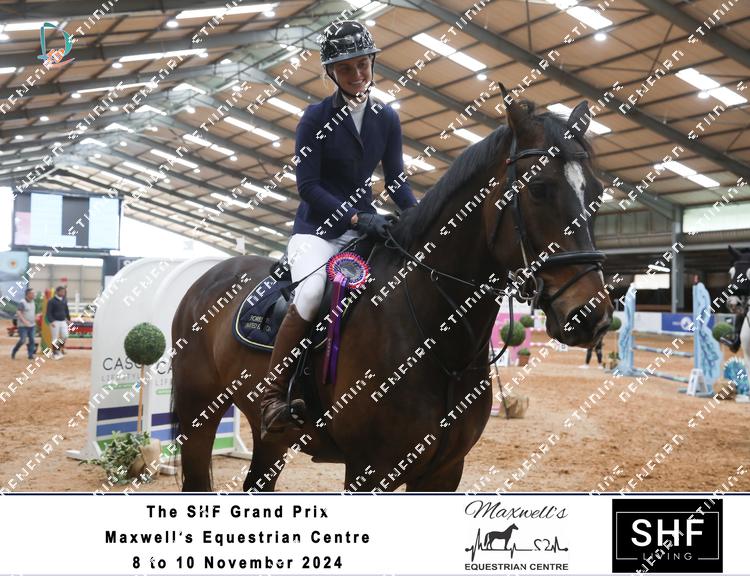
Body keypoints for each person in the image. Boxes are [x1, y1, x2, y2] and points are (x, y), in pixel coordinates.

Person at [260, 20, 418, 438]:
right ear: (331, 72)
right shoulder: (314, 118)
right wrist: (355, 217)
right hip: (316, 231)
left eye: (363, 65)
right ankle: (272, 395)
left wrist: (421, 218)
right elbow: (308, 186)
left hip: (363, 229)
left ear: (372, 63)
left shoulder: (386, 117)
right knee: (312, 294)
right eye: (346, 68)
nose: (357, 74)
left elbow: (397, 181)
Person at [11, 288, 37, 360]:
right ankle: (14, 351)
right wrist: (24, 321)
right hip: (23, 326)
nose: (34, 295)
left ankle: (30, 355)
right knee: (22, 340)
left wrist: (35, 317)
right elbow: (18, 312)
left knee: (32, 340)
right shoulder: (22, 302)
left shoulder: (33, 302)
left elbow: (32, 312)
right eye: (32, 293)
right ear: (28, 294)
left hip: (32, 325)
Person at [46, 286, 70, 359]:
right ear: (57, 292)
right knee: (55, 338)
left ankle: (58, 349)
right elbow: (48, 312)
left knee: (65, 336)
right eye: (62, 292)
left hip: (63, 321)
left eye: (64, 292)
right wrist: (51, 321)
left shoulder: (64, 300)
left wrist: (68, 319)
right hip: (55, 321)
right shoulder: (51, 301)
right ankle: (55, 353)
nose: (63, 293)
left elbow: (66, 310)